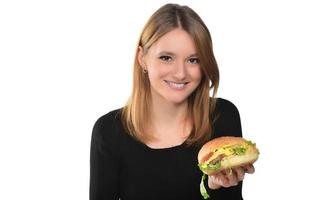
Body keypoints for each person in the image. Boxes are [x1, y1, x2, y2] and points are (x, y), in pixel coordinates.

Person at [90, 3, 255, 200]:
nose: (180, 73)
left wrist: (214, 187)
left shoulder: (222, 116)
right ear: (142, 58)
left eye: (193, 60)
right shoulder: (109, 131)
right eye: (166, 58)